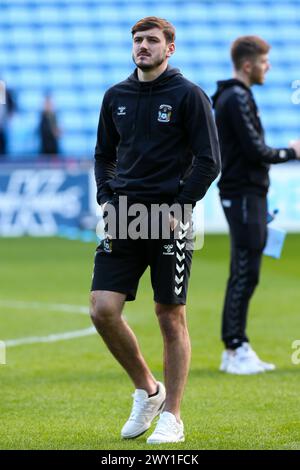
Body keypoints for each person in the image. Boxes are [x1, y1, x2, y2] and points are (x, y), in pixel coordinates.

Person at [90, 16, 220, 443]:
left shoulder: (188, 95)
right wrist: (107, 200)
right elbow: (103, 155)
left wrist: (181, 208)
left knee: (169, 315)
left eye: (151, 40)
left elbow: (208, 160)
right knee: (102, 310)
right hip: (123, 217)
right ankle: (149, 391)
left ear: (170, 47)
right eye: (137, 40)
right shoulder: (116, 96)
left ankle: (173, 417)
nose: (142, 46)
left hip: (169, 218)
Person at [212, 36, 300, 375]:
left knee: (246, 269)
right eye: (264, 61)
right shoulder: (235, 97)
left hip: (248, 193)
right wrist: (291, 152)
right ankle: (235, 348)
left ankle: (235, 346)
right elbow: (255, 150)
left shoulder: (235, 95)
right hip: (242, 192)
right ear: (248, 65)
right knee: (246, 270)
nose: (269, 67)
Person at [0, 80, 16, 156]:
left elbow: (9, 107)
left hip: (3, 125)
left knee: (3, 145)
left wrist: (9, 115)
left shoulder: (3, 91)